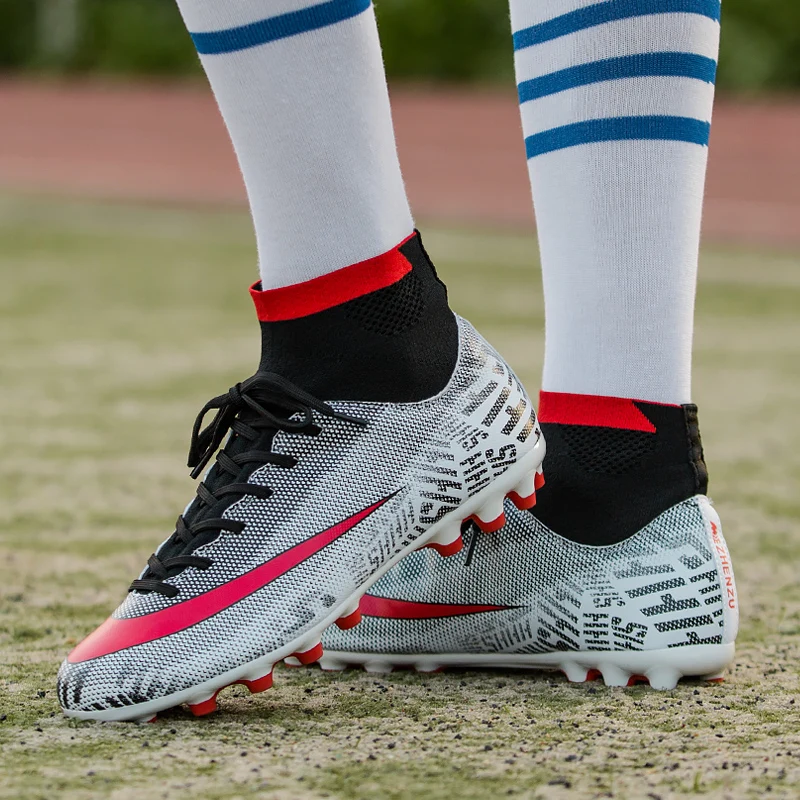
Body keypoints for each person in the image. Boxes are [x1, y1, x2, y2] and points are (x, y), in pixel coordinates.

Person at [57, 0, 737, 721]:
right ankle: (620, 486)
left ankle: (365, 349)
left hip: (390, 378)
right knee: (615, 461)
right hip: (631, 513)